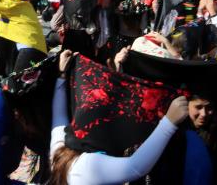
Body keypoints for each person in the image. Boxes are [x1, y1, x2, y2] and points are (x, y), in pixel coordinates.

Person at [50, 50, 190, 185]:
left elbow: (59, 119)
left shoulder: (62, 151)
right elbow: (135, 166)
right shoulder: (86, 166)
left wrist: (61, 76)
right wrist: (169, 123)